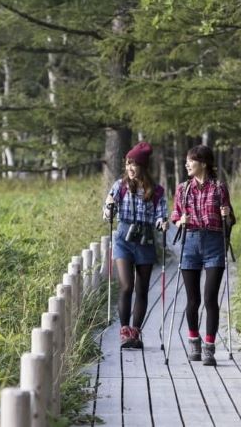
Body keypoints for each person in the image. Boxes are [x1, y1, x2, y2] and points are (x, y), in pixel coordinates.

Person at [170, 145, 235, 366]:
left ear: (203, 164)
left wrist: (227, 214)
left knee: (210, 299)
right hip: (190, 243)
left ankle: (209, 348)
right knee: (192, 299)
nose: (187, 164)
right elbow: (175, 216)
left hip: (214, 244)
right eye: (187, 161)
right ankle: (194, 342)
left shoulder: (219, 188)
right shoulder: (183, 189)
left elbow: (229, 220)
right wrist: (180, 221)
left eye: (191, 161)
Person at [103, 142, 168, 349]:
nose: (130, 168)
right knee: (126, 286)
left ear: (143, 166)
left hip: (145, 240)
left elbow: (161, 215)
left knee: (141, 289)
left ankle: (136, 332)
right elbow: (107, 214)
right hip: (123, 238)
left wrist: (162, 223)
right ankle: (124, 331)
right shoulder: (119, 186)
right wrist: (109, 208)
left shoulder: (156, 191)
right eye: (128, 164)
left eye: (134, 164)